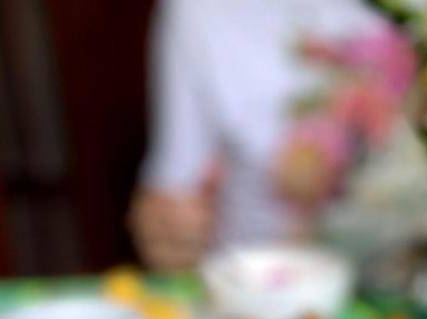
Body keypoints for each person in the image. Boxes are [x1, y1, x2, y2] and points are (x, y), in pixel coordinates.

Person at [129, 0, 403, 272]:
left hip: (404, 272)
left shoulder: (411, 13)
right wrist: (169, 232)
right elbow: (175, 192)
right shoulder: (198, 10)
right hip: (253, 273)